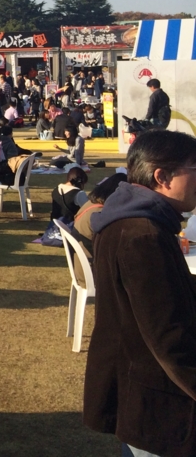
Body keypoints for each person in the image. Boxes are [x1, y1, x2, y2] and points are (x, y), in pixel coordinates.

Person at [84, 130, 196, 456]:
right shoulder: (141, 234)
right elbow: (168, 336)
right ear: (162, 176)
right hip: (158, 402)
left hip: (143, 393)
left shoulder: (132, 219)